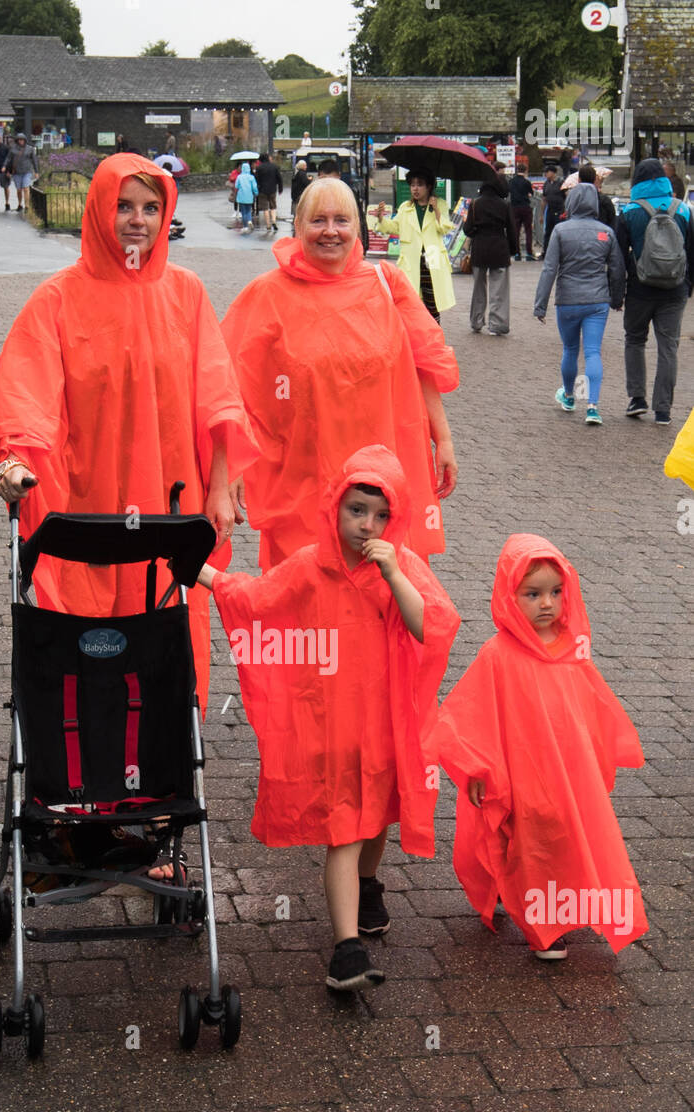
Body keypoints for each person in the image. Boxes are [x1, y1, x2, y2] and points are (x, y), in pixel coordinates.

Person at [0, 154, 257, 708]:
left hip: (171, 501)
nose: (137, 220)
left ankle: (163, 762)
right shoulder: (58, 298)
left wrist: (221, 487)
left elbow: (218, 400)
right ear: (99, 210)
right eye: (123, 206)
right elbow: (28, 390)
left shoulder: (187, 293)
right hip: (87, 500)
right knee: (91, 634)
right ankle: (91, 760)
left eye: (151, 208)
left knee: (165, 629)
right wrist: (17, 459)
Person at [197, 447, 459, 989]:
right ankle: (347, 949)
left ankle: (367, 887)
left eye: (381, 515)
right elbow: (255, 597)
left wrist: (393, 572)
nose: (368, 525)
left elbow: (430, 628)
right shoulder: (310, 566)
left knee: (379, 811)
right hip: (333, 726)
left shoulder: (401, 565)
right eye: (357, 509)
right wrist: (195, 571)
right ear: (335, 507)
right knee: (347, 826)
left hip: (385, 724)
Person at [221, 176, 459, 571]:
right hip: (304, 479)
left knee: (381, 591)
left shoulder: (387, 284)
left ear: (358, 227)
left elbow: (424, 364)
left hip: (384, 474)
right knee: (309, 596)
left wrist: (444, 439)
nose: (330, 231)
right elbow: (227, 382)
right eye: (318, 220)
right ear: (297, 227)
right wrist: (231, 463)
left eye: (341, 220)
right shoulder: (266, 294)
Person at [438, 533, 649, 962]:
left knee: (563, 836)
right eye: (532, 594)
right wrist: (477, 769)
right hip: (520, 772)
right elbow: (469, 714)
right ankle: (544, 925)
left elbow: (593, 709)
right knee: (529, 839)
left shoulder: (573, 653)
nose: (547, 604)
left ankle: (557, 904)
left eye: (555, 592)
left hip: (569, 773)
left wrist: (598, 756)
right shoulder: (498, 655)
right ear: (509, 596)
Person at [533, 182, 626, 426]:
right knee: (593, 351)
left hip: (568, 300)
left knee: (570, 350)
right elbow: (617, 268)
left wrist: (540, 305)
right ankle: (593, 407)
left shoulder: (561, 231)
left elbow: (550, 269)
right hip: (597, 301)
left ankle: (570, 396)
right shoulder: (606, 232)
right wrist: (617, 298)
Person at [616, 157, 694, 425]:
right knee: (668, 348)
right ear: (663, 179)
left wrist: (617, 293)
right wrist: (688, 285)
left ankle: (637, 398)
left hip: (640, 288)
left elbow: (617, 257)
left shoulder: (629, 211)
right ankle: (663, 409)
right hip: (674, 290)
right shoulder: (683, 210)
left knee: (635, 340)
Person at [375, 168, 455, 322]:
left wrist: (436, 210)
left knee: (433, 306)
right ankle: (417, 341)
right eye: (412, 185)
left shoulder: (440, 204)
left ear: (429, 186)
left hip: (432, 262)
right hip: (411, 262)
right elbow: (394, 227)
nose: (415, 189)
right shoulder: (406, 207)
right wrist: (380, 218)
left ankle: (434, 339)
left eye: (420, 185)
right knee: (412, 305)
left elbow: (444, 228)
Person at [464, 171, 517, 334]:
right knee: (499, 290)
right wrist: (512, 250)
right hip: (499, 249)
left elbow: (467, 229)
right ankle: (497, 324)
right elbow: (512, 230)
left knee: (478, 288)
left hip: (480, 248)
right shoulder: (504, 205)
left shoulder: (475, 204)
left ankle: (476, 321)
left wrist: (477, 233)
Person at [508, 163, 536, 260]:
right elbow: (531, 193)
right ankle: (529, 253)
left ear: (517, 170)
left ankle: (517, 253)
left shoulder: (511, 182)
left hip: (514, 207)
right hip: (525, 207)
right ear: (525, 171)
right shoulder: (526, 182)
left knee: (516, 230)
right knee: (528, 230)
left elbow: (509, 192)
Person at [5, 133, 38, 213]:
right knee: (19, 190)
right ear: (17, 140)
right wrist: (5, 167)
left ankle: (27, 206)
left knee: (26, 188)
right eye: (19, 140)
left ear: (25, 140)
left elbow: (34, 160)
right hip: (16, 172)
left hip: (27, 171)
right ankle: (20, 204)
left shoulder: (30, 149)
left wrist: (36, 171)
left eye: (22, 139)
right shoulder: (13, 149)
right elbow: (8, 159)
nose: (21, 141)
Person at [577, 163, 616, 230]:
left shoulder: (574, 200)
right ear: (595, 179)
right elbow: (612, 220)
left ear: (579, 180)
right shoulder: (604, 199)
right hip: (600, 235)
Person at [254, 152, 283, 235]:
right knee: (273, 206)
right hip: (273, 189)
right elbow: (279, 178)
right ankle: (273, 220)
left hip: (262, 190)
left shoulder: (259, 168)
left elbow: (256, 180)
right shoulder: (274, 167)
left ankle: (268, 225)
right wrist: (280, 188)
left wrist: (257, 189)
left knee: (265, 208)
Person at [541, 166, 566, 256]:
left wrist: (566, 210)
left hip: (559, 211)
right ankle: (545, 252)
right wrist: (542, 214)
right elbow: (544, 199)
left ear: (553, 173)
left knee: (559, 232)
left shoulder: (560, 183)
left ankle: (560, 252)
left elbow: (566, 196)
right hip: (550, 210)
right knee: (548, 232)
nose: (546, 174)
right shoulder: (546, 184)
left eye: (547, 172)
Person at [234, 160, 257, 235]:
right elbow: (254, 187)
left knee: (243, 212)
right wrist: (256, 193)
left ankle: (245, 226)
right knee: (248, 210)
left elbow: (236, 186)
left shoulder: (239, 177)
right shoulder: (251, 177)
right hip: (249, 196)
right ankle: (249, 220)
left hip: (241, 196)